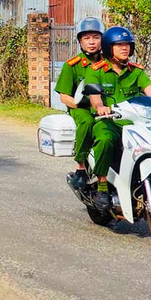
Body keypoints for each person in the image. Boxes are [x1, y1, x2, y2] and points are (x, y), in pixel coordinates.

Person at [84, 26, 151, 210]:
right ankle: (103, 187)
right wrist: (100, 107)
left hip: (136, 123)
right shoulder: (96, 70)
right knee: (105, 140)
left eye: (127, 45)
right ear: (108, 48)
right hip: (109, 121)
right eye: (119, 45)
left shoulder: (136, 71)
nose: (124, 48)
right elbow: (94, 97)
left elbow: (149, 90)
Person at [54, 18, 105, 190]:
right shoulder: (72, 66)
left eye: (96, 37)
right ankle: (81, 167)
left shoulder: (108, 64)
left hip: (106, 108)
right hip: (81, 109)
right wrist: (83, 106)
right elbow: (64, 97)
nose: (92, 42)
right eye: (87, 38)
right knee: (87, 122)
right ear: (80, 41)